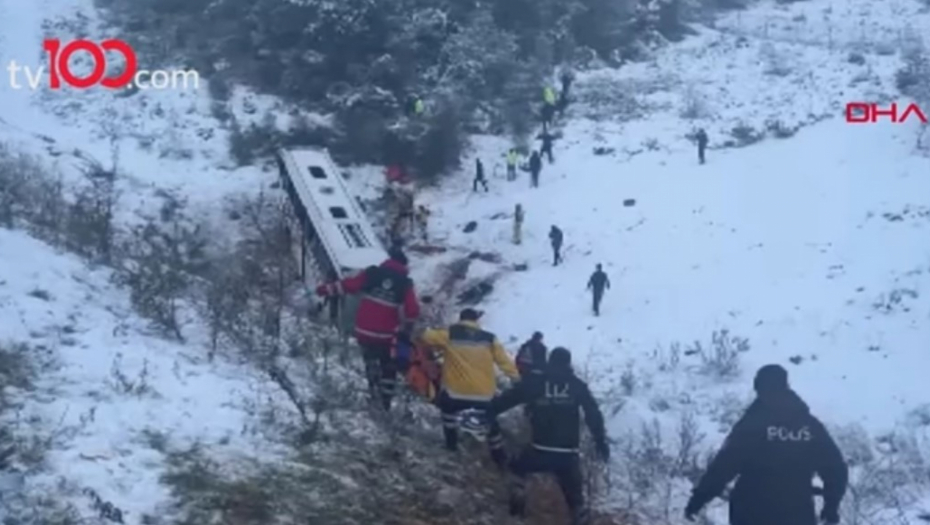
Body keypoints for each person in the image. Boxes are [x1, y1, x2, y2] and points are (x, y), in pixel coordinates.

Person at [685, 364, 848, 525]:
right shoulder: (810, 426)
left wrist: (699, 498)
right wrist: (831, 506)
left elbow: (725, 465)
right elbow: (836, 469)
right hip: (797, 512)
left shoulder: (752, 424)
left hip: (751, 511)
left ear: (759, 388)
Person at [489, 347, 609, 525]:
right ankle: (578, 514)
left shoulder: (536, 382)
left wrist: (489, 409)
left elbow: (509, 398)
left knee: (516, 468)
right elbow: (593, 414)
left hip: (540, 450)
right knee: (576, 500)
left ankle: (518, 501)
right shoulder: (577, 385)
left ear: (550, 362)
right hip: (569, 455)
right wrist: (600, 441)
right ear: (568, 364)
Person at [316, 247, 420, 410]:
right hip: (386, 335)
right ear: (404, 266)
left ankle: (373, 392)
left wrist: (324, 289)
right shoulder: (405, 284)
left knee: (370, 360)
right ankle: (385, 401)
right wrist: (407, 329)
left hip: (364, 330)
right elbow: (412, 310)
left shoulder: (373, 273)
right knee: (388, 366)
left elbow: (349, 285)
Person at [419, 308, 519, 468]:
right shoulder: (490, 339)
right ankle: (499, 457)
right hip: (483, 395)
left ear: (461, 319)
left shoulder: (450, 334)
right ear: (476, 321)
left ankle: (451, 445)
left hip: (455, 393)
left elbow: (426, 336)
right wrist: (517, 379)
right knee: (491, 423)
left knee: (447, 412)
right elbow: (504, 362)